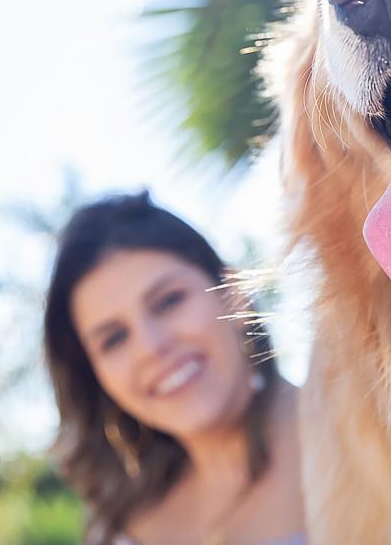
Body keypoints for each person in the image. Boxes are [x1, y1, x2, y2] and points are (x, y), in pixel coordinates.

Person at [43, 191, 305, 545]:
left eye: (168, 301)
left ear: (234, 295)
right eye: (114, 339)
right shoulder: (117, 525)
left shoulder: (369, 431)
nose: (151, 347)